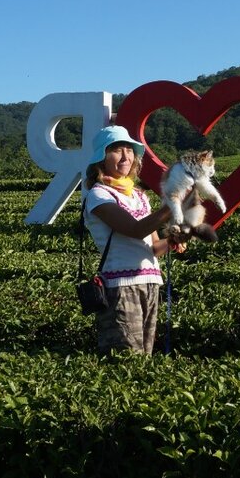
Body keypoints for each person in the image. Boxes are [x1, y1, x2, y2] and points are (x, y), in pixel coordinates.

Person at [82, 125, 186, 354]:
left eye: (129, 150)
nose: (125, 156)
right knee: (126, 356)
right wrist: (171, 206)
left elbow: (153, 248)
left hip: (150, 282)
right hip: (120, 287)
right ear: (102, 157)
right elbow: (135, 230)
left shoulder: (139, 196)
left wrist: (172, 240)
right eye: (117, 150)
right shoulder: (99, 195)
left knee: (145, 355)